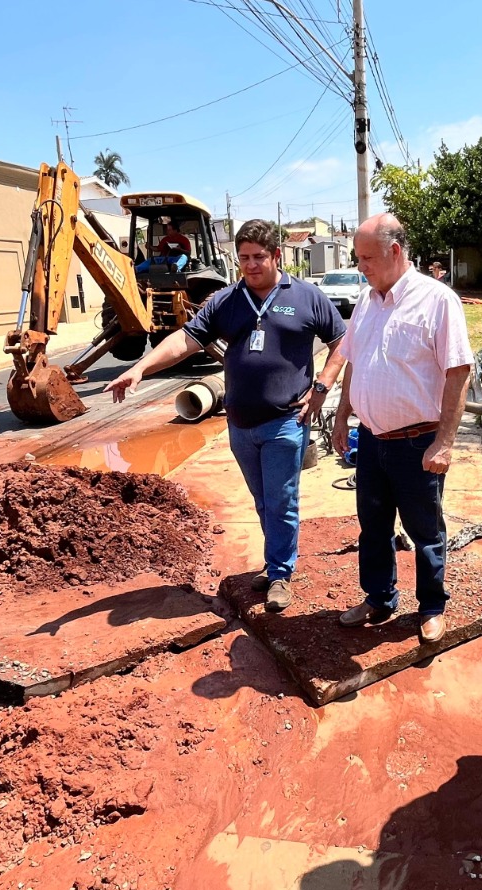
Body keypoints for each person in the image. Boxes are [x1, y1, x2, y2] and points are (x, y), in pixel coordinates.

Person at [107, 219, 345, 611]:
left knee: (281, 500)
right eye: (244, 258)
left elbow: (341, 341)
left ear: (277, 256)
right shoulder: (226, 300)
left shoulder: (306, 296)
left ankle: (280, 573)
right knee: (263, 501)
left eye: (258, 257)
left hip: (286, 420)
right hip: (240, 424)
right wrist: (140, 367)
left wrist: (321, 388)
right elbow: (185, 340)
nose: (250, 265)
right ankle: (276, 563)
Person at [329, 214, 474, 643]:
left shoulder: (437, 300)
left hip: (418, 444)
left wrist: (445, 442)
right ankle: (379, 599)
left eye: (367, 257)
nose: (362, 266)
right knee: (373, 526)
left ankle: (431, 606)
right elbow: (353, 360)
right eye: (358, 258)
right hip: (372, 441)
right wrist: (342, 415)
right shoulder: (367, 301)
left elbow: (458, 371)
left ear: (396, 252)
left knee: (425, 530)